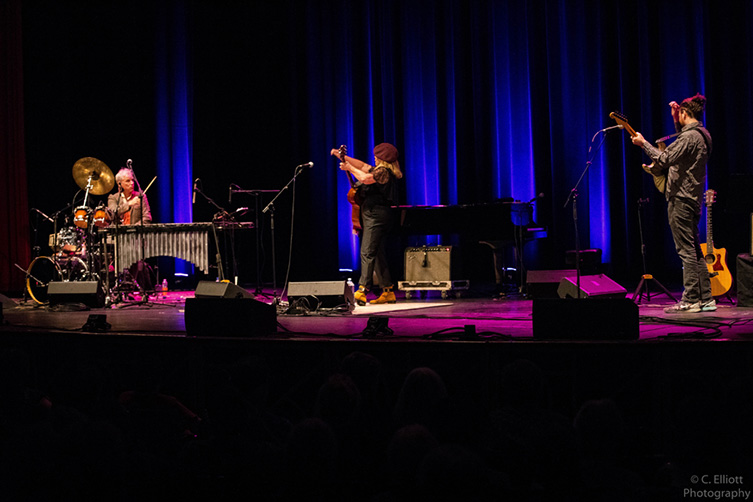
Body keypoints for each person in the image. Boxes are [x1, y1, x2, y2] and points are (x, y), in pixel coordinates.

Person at [631, 93, 714, 313]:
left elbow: (665, 158)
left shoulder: (689, 137)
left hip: (681, 199)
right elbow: (683, 148)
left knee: (686, 251)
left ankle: (691, 299)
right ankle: (706, 298)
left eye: (680, 114)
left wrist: (643, 143)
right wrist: (676, 120)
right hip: (692, 198)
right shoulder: (703, 134)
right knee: (695, 251)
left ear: (686, 112)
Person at [330, 143, 403, 305]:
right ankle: (387, 291)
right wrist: (342, 157)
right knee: (377, 253)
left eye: (377, 157)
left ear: (382, 159)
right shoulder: (380, 170)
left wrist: (349, 168)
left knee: (367, 252)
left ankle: (362, 290)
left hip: (376, 216)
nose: (374, 159)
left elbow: (364, 178)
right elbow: (363, 166)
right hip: (375, 215)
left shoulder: (383, 172)